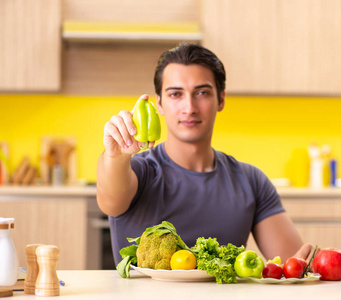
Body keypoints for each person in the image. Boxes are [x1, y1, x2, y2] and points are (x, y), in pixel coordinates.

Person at [97, 43, 315, 265]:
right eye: (175, 94)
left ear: (221, 99)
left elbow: (293, 264)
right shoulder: (137, 171)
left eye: (202, 92)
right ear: (159, 104)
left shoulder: (251, 181)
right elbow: (110, 199)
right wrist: (115, 156)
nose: (189, 107)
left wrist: (312, 264)